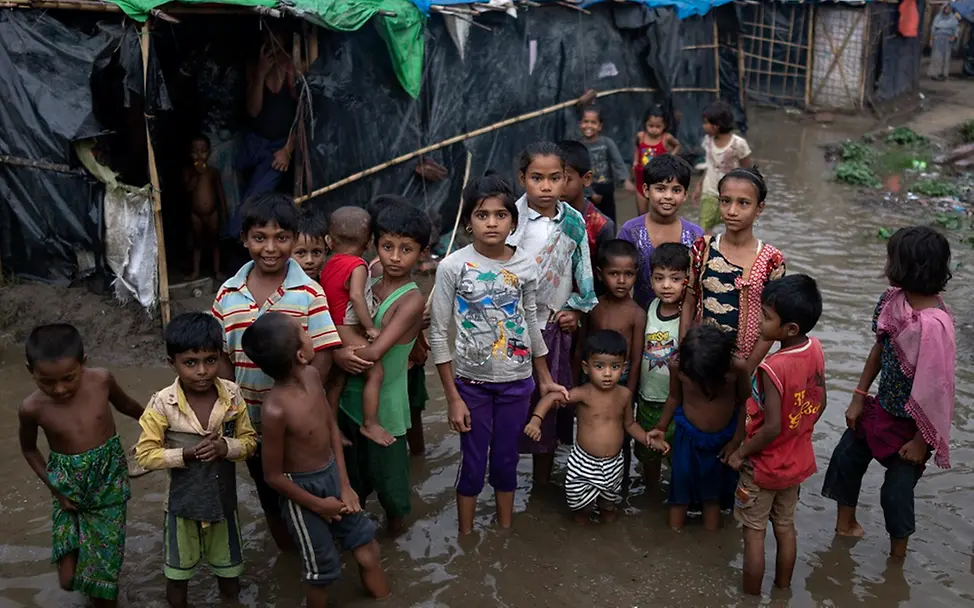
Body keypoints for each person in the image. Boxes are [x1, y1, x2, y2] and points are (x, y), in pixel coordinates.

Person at [430, 172, 567, 534]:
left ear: (513, 221)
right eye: (481, 214)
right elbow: (439, 334)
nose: (491, 222)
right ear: (468, 222)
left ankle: (505, 533)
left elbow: (532, 324)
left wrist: (545, 378)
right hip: (471, 384)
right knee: (473, 462)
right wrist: (452, 398)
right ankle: (466, 537)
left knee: (507, 460)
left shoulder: (524, 265)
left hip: (517, 383)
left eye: (500, 215)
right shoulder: (452, 267)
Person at [211, 192, 342, 551]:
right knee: (269, 490)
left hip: (300, 423)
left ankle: (315, 550)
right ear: (244, 240)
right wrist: (231, 409)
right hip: (250, 422)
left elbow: (325, 354)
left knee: (312, 484)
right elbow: (221, 355)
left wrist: (308, 404)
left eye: (281, 238)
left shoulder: (308, 292)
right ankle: (287, 551)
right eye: (260, 238)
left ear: (294, 239)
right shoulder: (227, 294)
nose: (270, 248)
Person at [822, 226, 955, 559]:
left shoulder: (933, 325)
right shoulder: (892, 300)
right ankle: (845, 525)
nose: (886, 263)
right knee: (845, 460)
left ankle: (897, 558)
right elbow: (880, 349)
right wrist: (858, 396)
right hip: (881, 407)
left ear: (908, 266)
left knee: (895, 495)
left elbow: (937, 389)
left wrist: (922, 441)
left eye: (891, 257)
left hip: (913, 427)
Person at [241, 312, 389, 608]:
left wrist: (345, 486)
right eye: (305, 333)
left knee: (367, 550)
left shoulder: (311, 377)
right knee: (322, 572)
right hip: (301, 494)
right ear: (300, 353)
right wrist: (318, 505)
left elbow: (331, 429)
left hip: (333, 475)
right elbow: (273, 476)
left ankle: (386, 600)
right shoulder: (275, 410)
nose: (311, 337)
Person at [134, 313, 257, 608]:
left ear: (219, 357)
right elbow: (144, 454)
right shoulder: (162, 403)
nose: (202, 371)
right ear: (172, 362)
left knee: (230, 576)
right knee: (177, 577)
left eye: (210, 360)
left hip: (223, 502)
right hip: (181, 506)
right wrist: (185, 454)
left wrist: (226, 448)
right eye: (190, 362)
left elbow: (250, 442)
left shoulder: (232, 395)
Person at [18, 324, 144, 607]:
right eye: (46, 382)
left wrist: (158, 429)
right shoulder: (31, 408)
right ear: (30, 371)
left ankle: (102, 585)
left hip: (109, 484)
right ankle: (96, 580)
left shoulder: (101, 380)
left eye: (68, 378)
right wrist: (57, 491)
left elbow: (131, 407)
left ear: (83, 363)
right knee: (67, 579)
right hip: (66, 487)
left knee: (103, 587)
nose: (59, 389)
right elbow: (29, 449)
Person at [724, 275, 826, 595]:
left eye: (767, 317)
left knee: (753, 534)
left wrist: (740, 453)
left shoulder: (773, 368)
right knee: (785, 528)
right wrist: (799, 433)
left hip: (763, 466)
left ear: (790, 329)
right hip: (796, 461)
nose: (760, 322)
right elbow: (819, 402)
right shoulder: (815, 348)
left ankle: (750, 597)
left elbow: (771, 427)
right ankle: (783, 591)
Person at [507, 141, 599, 486]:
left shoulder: (574, 221)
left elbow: (584, 275)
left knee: (548, 408)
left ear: (565, 180)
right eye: (536, 178)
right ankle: (506, 481)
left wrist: (576, 308)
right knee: (512, 405)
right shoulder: (510, 219)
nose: (545, 187)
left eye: (554, 178)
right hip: (512, 329)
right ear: (522, 178)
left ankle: (541, 487)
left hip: (552, 328)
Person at [337, 202, 428, 535]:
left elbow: (374, 352)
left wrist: (337, 353)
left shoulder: (412, 299)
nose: (394, 257)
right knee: (353, 481)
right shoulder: (369, 280)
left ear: (421, 253)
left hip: (385, 408)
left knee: (392, 489)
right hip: (350, 399)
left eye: (406, 250)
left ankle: (396, 535)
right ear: (375, 245)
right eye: (387, 247)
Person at [525, 330, 649, 523]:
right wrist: (536, 420)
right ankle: (578, 548)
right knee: (581, 511)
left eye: (614, 366)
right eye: (599, 366)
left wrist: (648, 439)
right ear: (586, 367)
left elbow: (630, 425)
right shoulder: (584, 393)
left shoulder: (624, 395)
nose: (607, 374)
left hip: (613, 465)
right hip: (583, 463)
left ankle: (608, 546)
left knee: (609, 509)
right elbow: (552, 397)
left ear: (624, 368)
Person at [682, 167, 785, 372]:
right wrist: (684, 352)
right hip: (700, 360)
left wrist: (746, 371)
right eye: (725, 201)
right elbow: (689, 302)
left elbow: (773, 323)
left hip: (746, 365)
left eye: (743, 203)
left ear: (760, 208)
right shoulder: (702, 248)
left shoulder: (771, 260)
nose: (731, 211)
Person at [648, 324, 749, 530]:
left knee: (712, 497)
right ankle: (674, 539)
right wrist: (661, 427)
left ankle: (709, 546)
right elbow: (675, 397)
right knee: (680, 488)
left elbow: (746, 403)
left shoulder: (737, 366)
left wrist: (737, 441)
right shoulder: (677, 364)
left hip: (723, 440)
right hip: (688, 435)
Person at [319, 206, 391, 446]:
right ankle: (370, 424)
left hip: (329, 329)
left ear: (329, 240)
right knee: (376, 372)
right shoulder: (357, 265)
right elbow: (357, 297)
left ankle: (332, 429)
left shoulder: (328, 263)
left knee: (335, 382)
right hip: (347, 329)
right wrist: (370, 327)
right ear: (370, 241)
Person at [633, 243, 688, 489]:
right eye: (659, 278)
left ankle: (675, 495)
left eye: (675, 278)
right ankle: (651, 492)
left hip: (676, 400)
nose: (666, 285)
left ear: (688, 279)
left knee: (677, 455)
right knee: (648, 453)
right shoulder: (651, 307)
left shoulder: (689, 315)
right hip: (648, 396)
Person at [618, 154, 702, 309]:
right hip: (641, 317)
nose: (668, 196)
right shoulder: (630, 231)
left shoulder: (696, 236)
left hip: (683, 318)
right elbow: (619, 280)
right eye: (660, 189)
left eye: (676, 190)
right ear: (646, 190)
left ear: (685, 195)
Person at [692, 101, 753, 234]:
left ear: (716, 126)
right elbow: (708, 166)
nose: (704, 126)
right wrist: (699, 186)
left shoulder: (738, 144)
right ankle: (705, 253)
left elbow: (747, 171)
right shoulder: (708, 141)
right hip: (709, 192)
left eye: (706, 123)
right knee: (704, 229)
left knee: (734, 228)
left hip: (731, 195)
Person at [558, 140, 616, 270]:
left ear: (587, 178)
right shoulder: (543, 218)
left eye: (566, 179)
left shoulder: (601, 226)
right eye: (554, 178)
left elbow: (607, 274)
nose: (559, 186)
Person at [578, 105, 634, 223]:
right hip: (588, 189)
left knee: (609, 219)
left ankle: (610, 240)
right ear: (580, 124)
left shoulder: (607, 143)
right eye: (586, 122)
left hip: (606, 188)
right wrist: (591, 193)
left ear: (600, 126)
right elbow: (579, 172)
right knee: (590, 220)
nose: (589, 126)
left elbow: (617, 161)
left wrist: (625, 180)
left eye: (593, 122)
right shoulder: (579, 147)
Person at [183, 135, 227, 280]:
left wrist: (224, 210)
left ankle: (217, 271)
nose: (199, 155)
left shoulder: (213, 172)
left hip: (212, 212)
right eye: (195, 151)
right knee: (197, 242)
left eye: (203, 151)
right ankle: (195, 271)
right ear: (190, 154)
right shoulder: (189, 171)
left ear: (209, 153)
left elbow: (219, 192)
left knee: (215, 242)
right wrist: (196, 175)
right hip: (196, 213)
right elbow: (187, 190)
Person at [633, 105, 682, 216]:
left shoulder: (666, 138)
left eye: (658, 126)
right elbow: (636, 147)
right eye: (651, 126)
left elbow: (678, 146)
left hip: (660, 180)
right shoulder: (641, 136)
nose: (654, 129)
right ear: (645, 123)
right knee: (641, 214)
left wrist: (670, 158)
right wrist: (635, 161)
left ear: (664, 125)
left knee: (662, 212)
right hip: (641, 179)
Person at [292, 206, 328, 280]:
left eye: (316, 252)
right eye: (300, 253)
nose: (309, 260)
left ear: (325, 251)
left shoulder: (328, 282)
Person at [929, 4, 960, 81]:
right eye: (946, 8)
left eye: (949, 8)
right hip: (938, 39)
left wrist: (954, 37)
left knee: (946, 57)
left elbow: (956, 29)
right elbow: (933, 29)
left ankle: (943, 74)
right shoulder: (938, 18)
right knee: (937, 56)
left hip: (947, 40)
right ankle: (935, 74)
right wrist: (931, 39)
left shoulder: (953, 19)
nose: (947, 10)